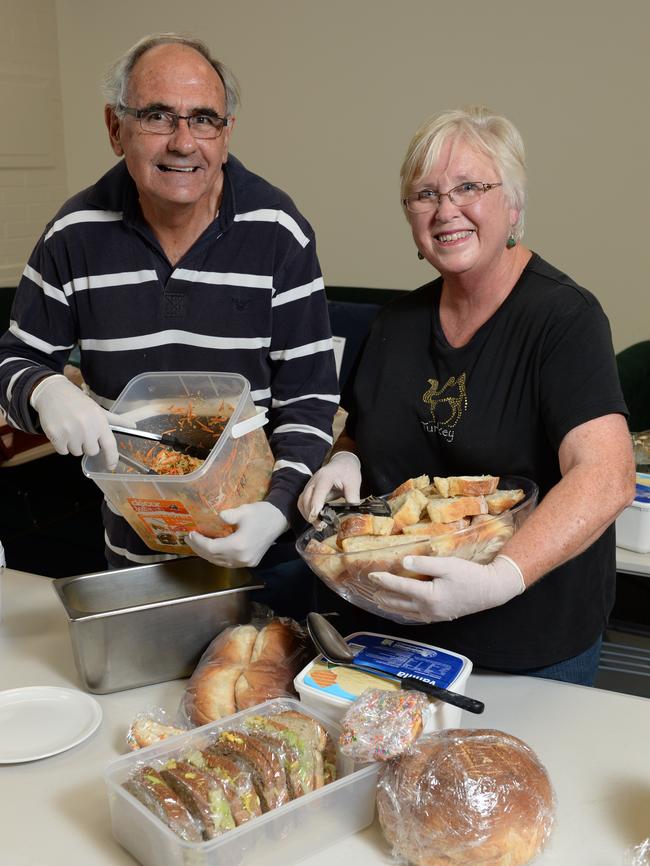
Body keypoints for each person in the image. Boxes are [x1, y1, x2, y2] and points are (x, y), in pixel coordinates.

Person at [0, 33, 338, 612]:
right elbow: (12, 363)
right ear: (115, 128)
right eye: (158, 116)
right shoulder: (73, 233)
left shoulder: (279, 231)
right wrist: (43, 388)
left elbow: (311, 399)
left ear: (225, 133)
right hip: (135, 562)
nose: (184, 143)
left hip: (264, 562)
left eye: (203, 119)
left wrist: (278, 506)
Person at [298, 106, 635, 685]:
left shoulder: (564, 319)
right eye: (424, 194)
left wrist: (501, 577)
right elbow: (364, 431)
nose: (445, 209)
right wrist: (344, 457)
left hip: (526, 644)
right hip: (389, 636)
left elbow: (606, 476)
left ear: (514, 207)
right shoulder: (393, 324)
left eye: (470, 187)